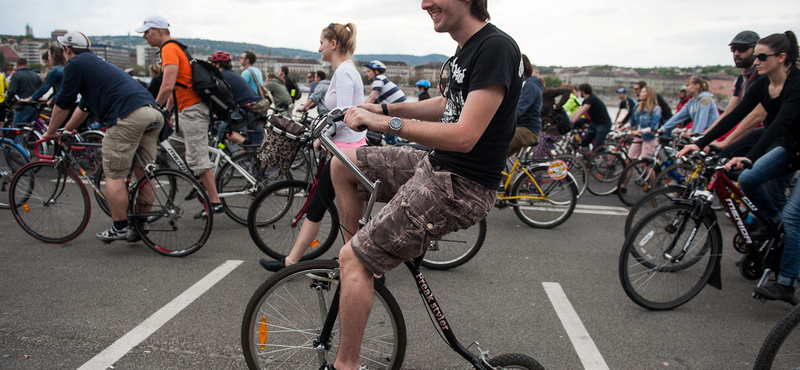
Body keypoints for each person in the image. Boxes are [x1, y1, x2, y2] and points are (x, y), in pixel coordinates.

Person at [325, 0, 522, 367]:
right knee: (343, 165)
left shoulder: (497, 47)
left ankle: (345, 361)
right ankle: (364, 262)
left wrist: (387, 125)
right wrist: (384, 110)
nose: (424, 3)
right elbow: (449, 104)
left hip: (460, 184)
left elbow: (465, 136)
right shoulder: (466, 49)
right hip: (435, 165)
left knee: (353, 260)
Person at [679, 31, 800, 304]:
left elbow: (778, 124)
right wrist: (703, 143)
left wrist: (750, 156)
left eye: (761, 56)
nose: (756, 61)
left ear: (781, 58)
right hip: (792, 147)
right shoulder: (763, 85)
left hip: (789, 143)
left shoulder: (796, 85)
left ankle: (786, 284)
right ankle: (773, 225)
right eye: (755, 55)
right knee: (748, 180)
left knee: (794, 217)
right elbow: (734, 116)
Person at [260, 22, 367, 273]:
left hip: (344, 152)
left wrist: (321, 138)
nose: (318, 48)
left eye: (321, 43)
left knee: (328, 210)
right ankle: (294, 262)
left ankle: (360, 268)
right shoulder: (344, 71)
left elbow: (342, 114)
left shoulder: (343, 73)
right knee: (328, 210)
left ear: (333, 44)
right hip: (346, 150)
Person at [40, 31, 165, 242]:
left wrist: (51, 131)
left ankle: (119, 227)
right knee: (143, 174)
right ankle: (140, 224)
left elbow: (63, 103)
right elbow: (84, 106)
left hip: (127, 115)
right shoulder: (99, 64)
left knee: (114, 174)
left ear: (67, 50)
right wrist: (68, 130)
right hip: (152, 113)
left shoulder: (75, 65)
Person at [138, 15, 224, 217]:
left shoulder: (169, 48)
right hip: (185, 110)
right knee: (174, 145)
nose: (144, 36)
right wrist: (166, 110)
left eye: (146, 31)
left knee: (197, 158)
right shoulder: (176, 47)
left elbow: (167, 85)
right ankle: (201, 180)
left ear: (159, 31)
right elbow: (176, 87)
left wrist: (153, 108)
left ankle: (214, 201)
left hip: (192, 110)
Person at [210, 51, 262, 145]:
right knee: (254, 138)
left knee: (225, 129)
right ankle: (249, 153)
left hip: (247, 108)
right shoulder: (231, 73)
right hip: (257, 106)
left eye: (212, 64)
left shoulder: (222, 76)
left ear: (217, 64)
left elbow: (223, 97)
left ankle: (246, 144)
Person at [618, 86, 662, 193]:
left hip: (649, 138)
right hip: (638, 137)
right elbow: (632, 122)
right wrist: (623, 127)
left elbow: (653, 128)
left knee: (645, 164)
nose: (640, 93)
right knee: (629, 160)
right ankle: (623, 186)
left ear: (649, 94)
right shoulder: (638, 106)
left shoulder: (656, 109)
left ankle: (653, 187)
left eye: (642, 92)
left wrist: (639, 131)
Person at [363, 60, 407, 145]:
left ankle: (392, 154)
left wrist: (357, 108)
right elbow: (373, 103)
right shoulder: (382, 80)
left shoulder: (379, 78)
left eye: (368, 71)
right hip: (400, 111)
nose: (366, 74)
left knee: (390, 140)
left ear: (376, 71)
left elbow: (371, 98)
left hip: (399, 112)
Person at [507, 54, 542, 157]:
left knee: (495, 148)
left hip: (527, 129)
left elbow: (518, 110)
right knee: (497, 158)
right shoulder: (526, 84)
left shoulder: (529, 86)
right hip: (525, 127)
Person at [527, 84, 571, 160]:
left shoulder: (546, 91)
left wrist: (558, 106)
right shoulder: (533, 94)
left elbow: (567, 90)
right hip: (543, 128)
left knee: (537, 157)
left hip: (551, 130)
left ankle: (539, 171)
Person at [570, 83, 612, 157]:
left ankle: (609, 162)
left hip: (603, 124)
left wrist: (571, 123)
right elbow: (577, 111)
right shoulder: (586, 100)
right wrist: (570, 120)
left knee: (598, 147)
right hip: (594, 123)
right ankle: (589, 161)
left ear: (582, 91)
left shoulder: (591, 98)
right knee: (584, 142)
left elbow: (581, 113)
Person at [5, 58, 42, 126]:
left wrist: (8, 100)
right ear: (27, 65)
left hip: (22, 105)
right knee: (31, 129)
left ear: (17, 65)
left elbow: (11, 91)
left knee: (18, 128)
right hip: (35, 105)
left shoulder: (16, 75)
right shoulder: (36, 75)